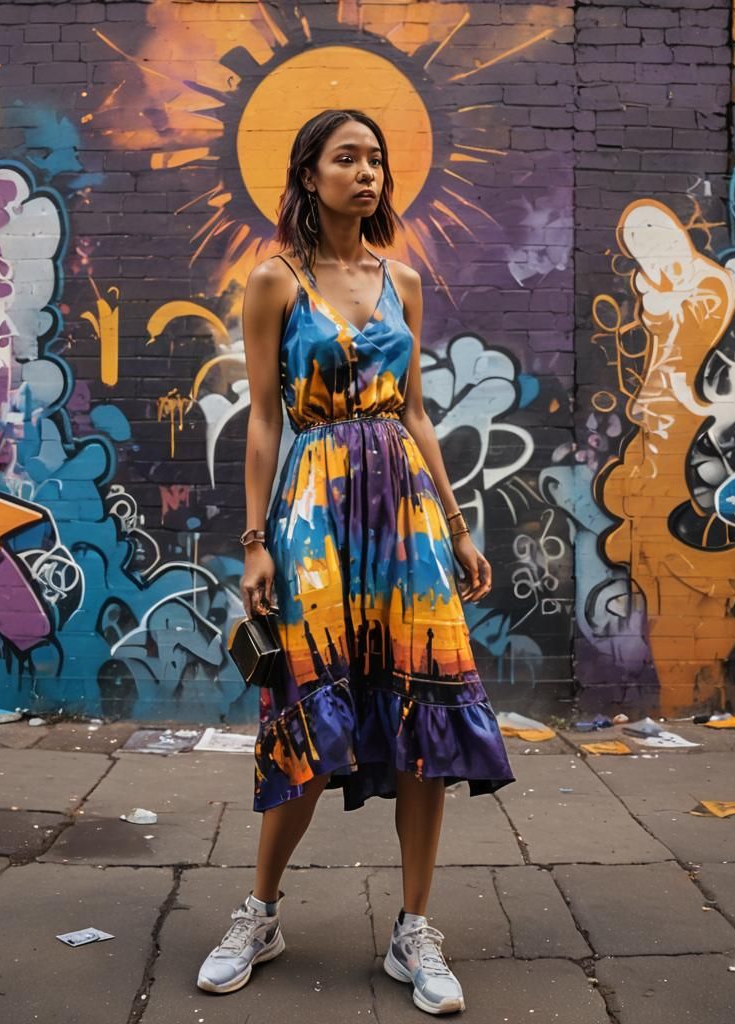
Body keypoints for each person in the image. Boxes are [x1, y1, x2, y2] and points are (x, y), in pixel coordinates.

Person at [197, 109, 514, 1016]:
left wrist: (456, 524)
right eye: (347, 158)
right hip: (315, 513)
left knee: (423, 708)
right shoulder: (274, 281)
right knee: (306, 711)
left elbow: (415, 412)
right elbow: (263, 418)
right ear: (309, 175)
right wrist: (254, 542)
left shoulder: (404, 280)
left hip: (404, 514)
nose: (366, 172)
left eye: (376, 158)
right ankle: (260, 913)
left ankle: (415, 931)